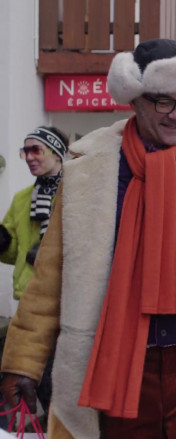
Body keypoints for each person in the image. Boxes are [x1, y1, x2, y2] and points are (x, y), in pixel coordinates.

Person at [0, 38, 176, 439]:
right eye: (164, 102)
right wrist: (22, 363)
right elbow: (49, 278)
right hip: (115, 362)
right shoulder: (86, 171)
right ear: (135, 100)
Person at [0, 125, 69, 423]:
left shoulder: (77, 193)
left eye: (35, 150)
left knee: (62, 383)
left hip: (70, 302)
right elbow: (12, 253)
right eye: (24, 151)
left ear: (56, 152)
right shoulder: (20, 199)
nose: (28, 157)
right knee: (35, 380)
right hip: (30, 303)